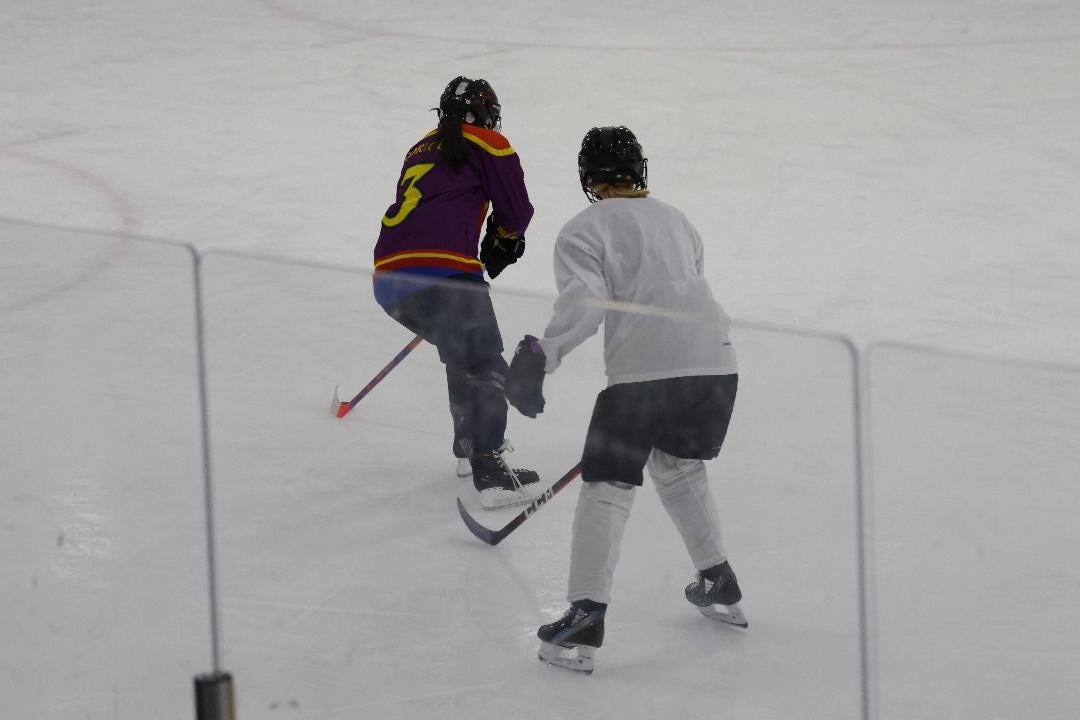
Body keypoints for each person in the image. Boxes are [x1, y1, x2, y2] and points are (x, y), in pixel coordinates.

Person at [504, 126, 746, 674]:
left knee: (608, 487)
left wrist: (544, 355)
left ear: (588, 177)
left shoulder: (583, 229)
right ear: (639, 168)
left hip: (645, 375)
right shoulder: (678, 219)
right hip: (718, 364)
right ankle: (719, 578)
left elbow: (586, 302)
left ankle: (587, 614)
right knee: (679, 469)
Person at [372, 76, 539, 510]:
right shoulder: (488, 142)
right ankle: (489, 464)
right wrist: (506, 237)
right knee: (483, 361)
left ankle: (469, 447)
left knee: (462, 353)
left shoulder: (419, 147)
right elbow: (517, 210)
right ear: (485, 113)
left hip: (390, 278)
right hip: (446, 274)